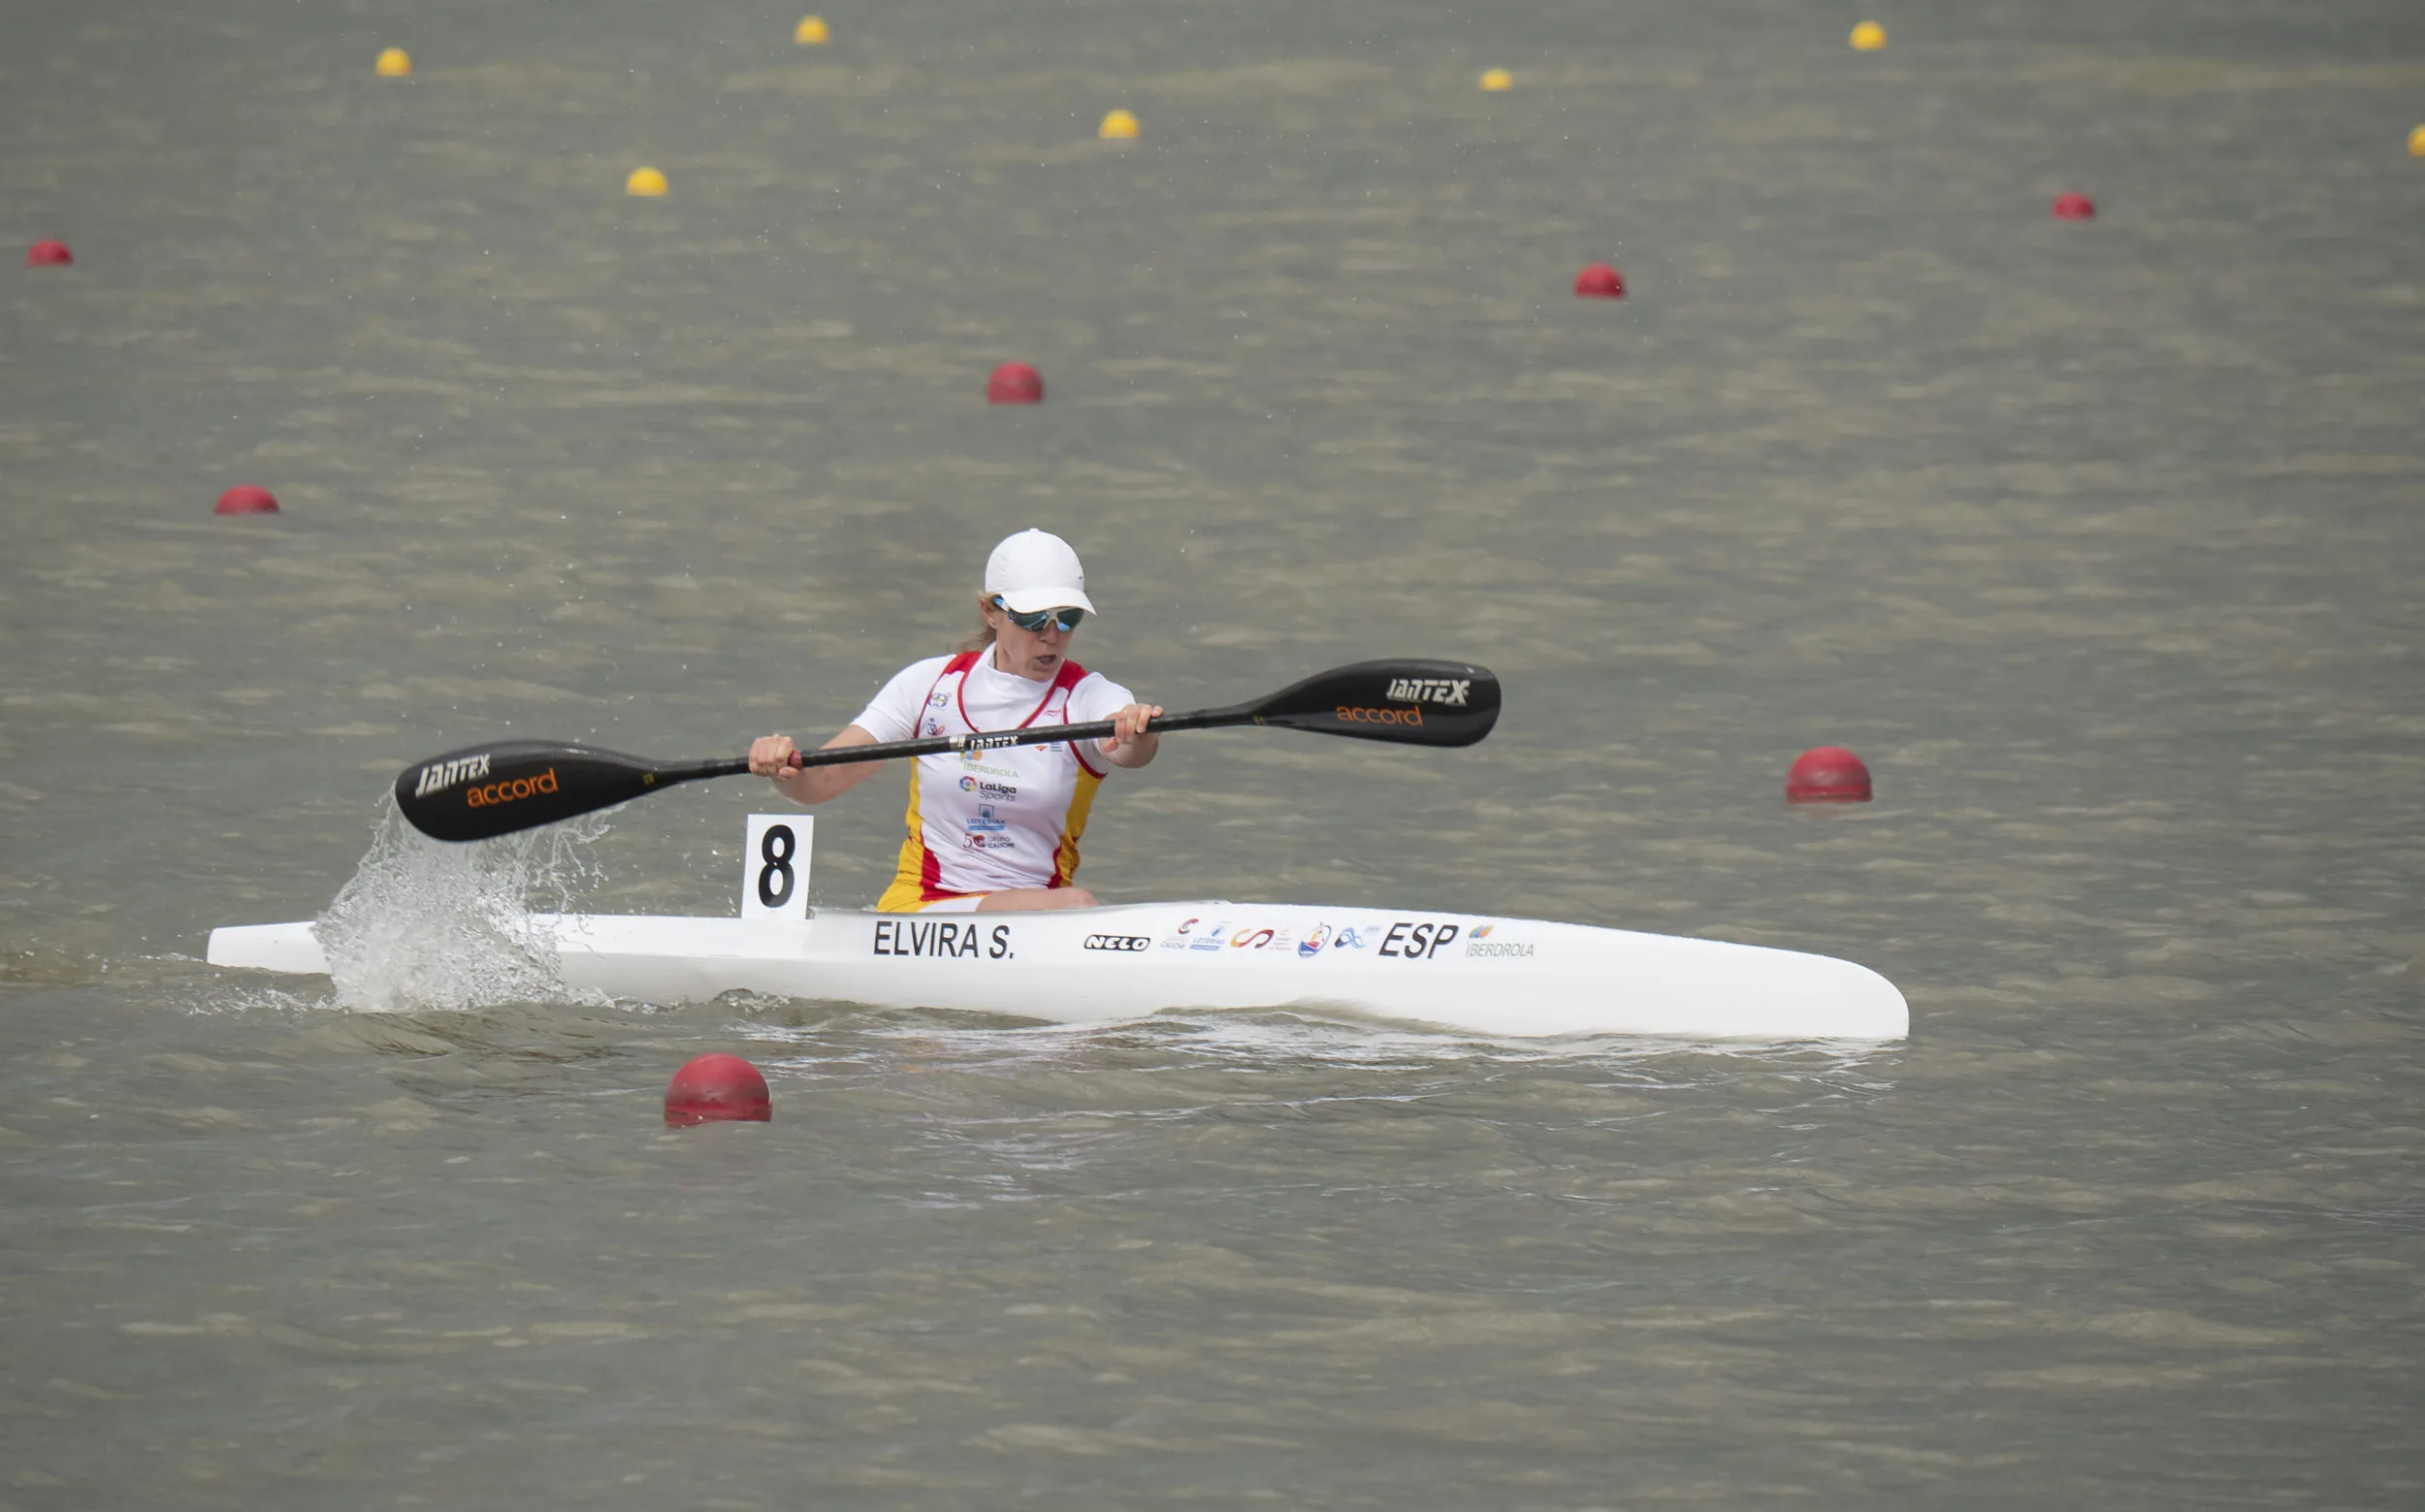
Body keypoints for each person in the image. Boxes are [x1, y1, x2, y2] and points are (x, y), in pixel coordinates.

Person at [748, 530, 1162, 913]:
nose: (1051, 635)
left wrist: (1134, 730)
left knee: (1072, 906)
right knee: (1077, 906)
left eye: (1067, 617)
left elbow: (1131, 751)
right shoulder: (928, 685)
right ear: (990, 612)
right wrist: (783, 769)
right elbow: (820, 782)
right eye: (1033, 618)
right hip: (919, 912)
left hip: (1034, 918)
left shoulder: (1090, 696)